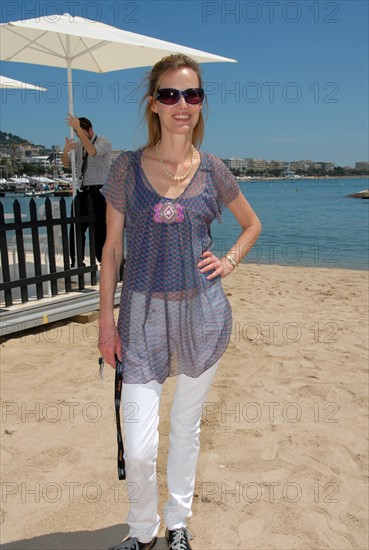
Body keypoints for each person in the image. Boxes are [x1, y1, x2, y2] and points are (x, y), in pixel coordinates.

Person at [98, 54, 262, 550]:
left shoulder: (214, 170)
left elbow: (252, 224)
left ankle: (177, 524)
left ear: (201, 103)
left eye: (192, 94)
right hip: (142, 317)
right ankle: (141, 528)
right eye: (170, 94)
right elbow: (111, 249)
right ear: (154, 104)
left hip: (201, 314)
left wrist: (229, 260)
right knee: (141, 442)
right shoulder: (125, 167)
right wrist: (106, 323)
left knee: (186, 428)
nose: (182, 104)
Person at [62, 115, 112, 266]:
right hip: (82, 191)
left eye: (81, 133)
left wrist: (78, 128)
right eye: (77, 134)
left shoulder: (104, 142)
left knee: (100, 230)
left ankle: (104, 262)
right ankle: (76, 262)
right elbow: (66, 165)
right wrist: (65, 152)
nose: (79, 137)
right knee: (76, 229)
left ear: (90, 130)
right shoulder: (79, 146)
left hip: (99, 191)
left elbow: (93, 151)